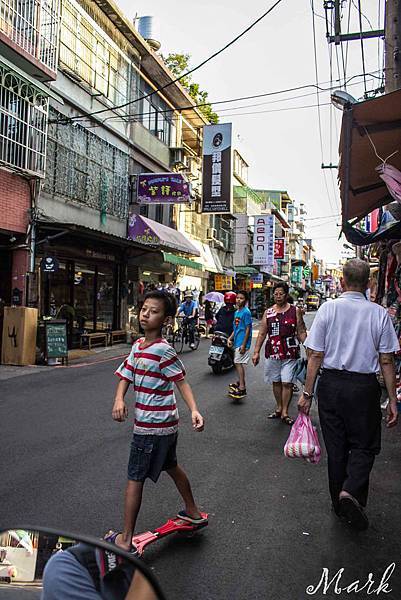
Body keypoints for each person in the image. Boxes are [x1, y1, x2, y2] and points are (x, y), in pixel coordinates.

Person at [298, 259, 399, 531]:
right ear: (368, 284)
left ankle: (339, 503)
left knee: (338, 448)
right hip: (364, 389)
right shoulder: (379, 314)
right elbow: (387, 359)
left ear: (342, 282)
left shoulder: (328, 309)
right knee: (365, 445)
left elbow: (315, 354)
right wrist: (392, 399)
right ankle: (351, 492)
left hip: (330, 386)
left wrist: (307, 393)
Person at [111, 290, 206, 554]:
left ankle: (126, 538)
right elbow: (125, 375)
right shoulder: (138, 346)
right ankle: (192, 511)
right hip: (163, 426)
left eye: (153, 311)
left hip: (153, 426)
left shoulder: (163, 350)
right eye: (144, 309)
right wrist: (119, 399)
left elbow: (181, 382)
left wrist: (194, 410)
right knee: (171, 465)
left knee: (135, 476)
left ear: (166, 319)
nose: (146, 314)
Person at [252, 282, 307, 425]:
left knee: (287, 382)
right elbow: (262, 333)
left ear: (286, 294)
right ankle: (279, 407)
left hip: (290, 351)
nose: (278, 296)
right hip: (273, 352)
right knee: (276, 381)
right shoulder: (268, 312)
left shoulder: (295, 311)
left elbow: (301, 331)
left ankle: (285, 412)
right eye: (275, 293)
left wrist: (309, 349)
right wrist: (256, 352)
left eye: (281, 293)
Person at [228, 291, 253, 400]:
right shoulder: (237, 312)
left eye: (241, 298)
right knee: (237, 363)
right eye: (237, 298)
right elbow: (236, 328)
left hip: (242, 342)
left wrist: (244, 345)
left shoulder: (246, 312)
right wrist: (230, 338)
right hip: (237, 341)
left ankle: (242, 387)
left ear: (245, 300)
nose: (238, 300)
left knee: (237, 363)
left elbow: (248, 329)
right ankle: (240, 382)